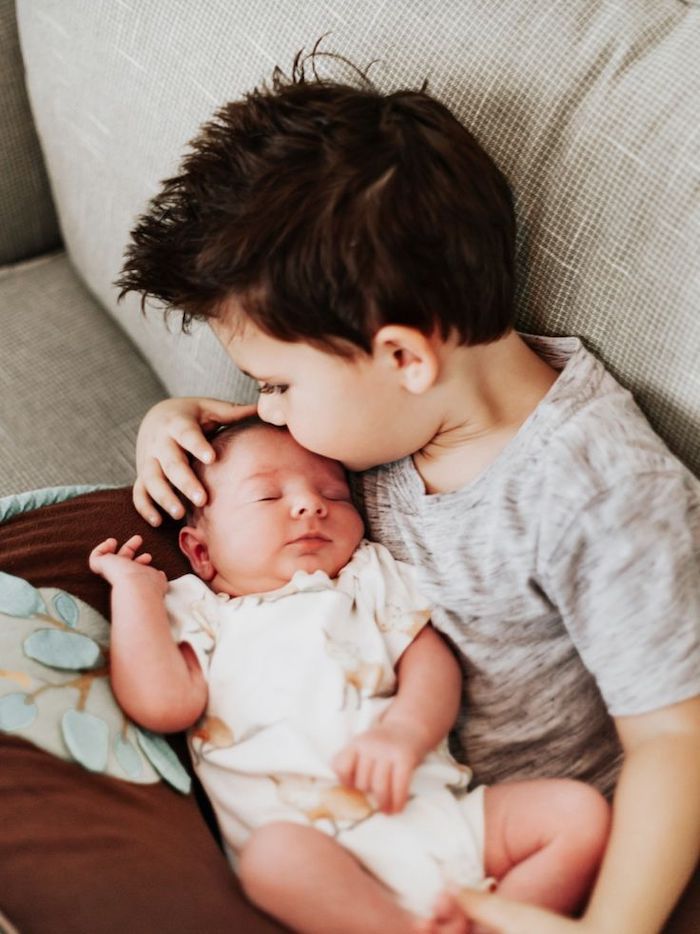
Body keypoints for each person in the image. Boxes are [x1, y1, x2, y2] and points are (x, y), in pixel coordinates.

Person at [114, 51, 700, 934]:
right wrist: (167, 419)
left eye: (274, 385)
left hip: (518, 828)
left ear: (403, 356)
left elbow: (677, 742)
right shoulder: (386, 408)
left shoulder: (599, 493)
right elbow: (264, 462)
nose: (270, 412)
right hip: (366, 810)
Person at [89, 417, 610, 934]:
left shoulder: (367, 575)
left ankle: (490, 921)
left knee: (579, 815)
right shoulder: (201, 614)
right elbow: (160, 703)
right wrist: (134, 592)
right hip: (321, 853)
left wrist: (405, 731)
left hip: (437, 817)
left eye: (334, 495)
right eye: (269, 498)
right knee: (273, 858)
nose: (310, 505)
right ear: (201, 552)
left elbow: (429, 663)